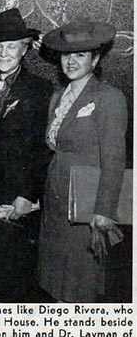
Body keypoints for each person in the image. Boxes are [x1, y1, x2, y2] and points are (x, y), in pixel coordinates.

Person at [0, 8, 53, 302]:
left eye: (12, 46)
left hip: (19, 195)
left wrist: (27, 196)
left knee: (16, 277)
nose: (4, 53)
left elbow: (42, 150)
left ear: (25, 49)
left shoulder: (40, 90)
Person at [38, 20, 127, 302]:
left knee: (79, 286)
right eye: (67, 54)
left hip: (86, 207)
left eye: (80, 55)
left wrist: (103, 211)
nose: (71, 61)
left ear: (96, 58)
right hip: (54, 205)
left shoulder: (109, 98)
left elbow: (114, 160)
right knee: (54, 284)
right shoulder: (57, 97)